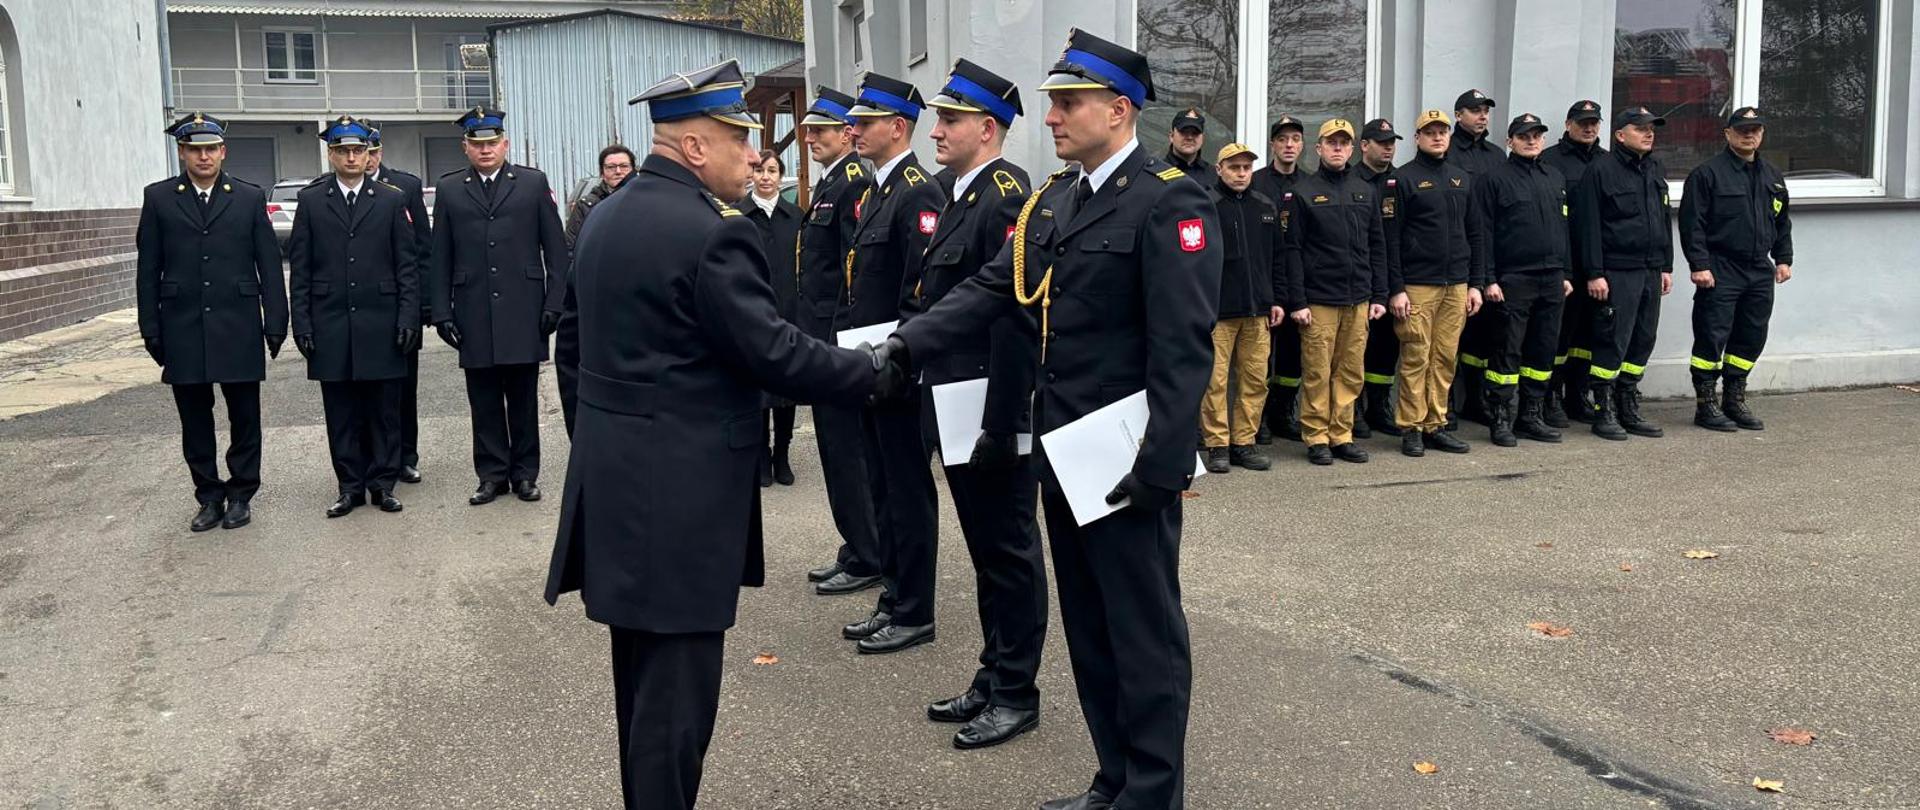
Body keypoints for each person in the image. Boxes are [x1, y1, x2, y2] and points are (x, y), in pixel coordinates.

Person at [877, 28, 1221, 808]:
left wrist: (1164, 463)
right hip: (1066, 453)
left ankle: (1152, 795)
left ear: (1120, 109)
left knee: (1144, 635)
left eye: (1069, 103)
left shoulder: (1170, 197)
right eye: (1054, 103)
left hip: (1129, 461)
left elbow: (1182, 344)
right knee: (1093, 633)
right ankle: (1113, 782)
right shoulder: (1055, 200)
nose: (1055, 117)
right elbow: (992, 289)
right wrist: (903, 346)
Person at [544, 60, 897, 810]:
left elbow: (570, 348)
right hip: (682, 501)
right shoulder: (711, 235)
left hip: (618, 486)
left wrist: (605, 441)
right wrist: (871, 372)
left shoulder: (606, 215)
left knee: (638, 689)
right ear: (697, 147)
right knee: (675, 706)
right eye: (741, 139)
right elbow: (772, 351)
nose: (753, 155)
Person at [916, 57, 1048, 750]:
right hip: (957, 400)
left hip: (990, 407)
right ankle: (993, 673)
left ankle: (1017, 691)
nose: (937, 131)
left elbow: (1013, 317)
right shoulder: (963, 191)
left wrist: (1005, 422)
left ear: (987, 128)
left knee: (1010, 551)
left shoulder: (1004, 194)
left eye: (951, 120)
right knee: (986, 551)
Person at [836, 72, 949, 654]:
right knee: (880, 486)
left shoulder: (917, 191)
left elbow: (919, 292)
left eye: (865, 121)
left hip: (899, 370)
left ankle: (915, 608)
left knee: (906, 493)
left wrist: (896, 358)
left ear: (897, 126)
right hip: (869, 365)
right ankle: (893, 594)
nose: (852, 129)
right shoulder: (877, 189)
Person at [136, 113, 287, 532]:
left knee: (245, 417)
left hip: (237, 324)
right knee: (195, 420)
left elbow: (269, 266)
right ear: (182, 152)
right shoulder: (160, 198)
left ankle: (241, 494)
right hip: (182, 326)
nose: (203, 156)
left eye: (211, 149)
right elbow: (148, 269)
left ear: (223, 151)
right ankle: (208, 495)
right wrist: (150, 326)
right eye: (194, 149)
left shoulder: (248, 197)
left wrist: (276, 322)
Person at [429, 107, 569, 506]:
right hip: (473, 309)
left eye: (492, 143)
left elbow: (556, 251)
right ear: (466, 148)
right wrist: (441, 311)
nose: (485, 150)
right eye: (478, 144)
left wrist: (554, 302)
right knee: (484, 399)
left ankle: (525, 474)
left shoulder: (531, 182)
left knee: (523, 398)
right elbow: (441, 255)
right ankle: (491, 475)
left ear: (505, 144)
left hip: (524, 308)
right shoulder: (451, 188)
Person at [287, 115, 420, 517]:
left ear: (369, 155)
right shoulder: (312, 201)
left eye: (358, 150)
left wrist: (408, 318)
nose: (351, 157)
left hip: (381, 322)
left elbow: (407, 267)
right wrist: (303, 324)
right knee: (341, 411)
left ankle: (383, 484)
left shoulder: (391, 198)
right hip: (331, 324)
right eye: (343, 150)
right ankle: (349, 486)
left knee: (383, 410)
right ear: (331, 154)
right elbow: (302, 269)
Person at [793, 86, 885, 597]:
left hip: (835, 338)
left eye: (823, 131)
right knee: (835, 448)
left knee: (847, 450)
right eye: (809, 132)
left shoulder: (851, 183)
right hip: (820, 334)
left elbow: (855, 271)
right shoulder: (833, 182)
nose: (813, 139)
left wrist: (838, 343)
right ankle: (856, 545)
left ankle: (868, 552)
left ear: (847, 135)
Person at [1280, 118, 1389, 466]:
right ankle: (1316, 436)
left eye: (1344, 142)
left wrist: (1379, 294)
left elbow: (1377, 245)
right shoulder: (1303, 192)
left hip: (1358, 298)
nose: (1338, 148)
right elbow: (1292, 250)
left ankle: (1341, 434)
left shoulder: (1365, 191)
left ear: (1353, 148)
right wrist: (1297, 301)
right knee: (1317, 371)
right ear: (1319, 148)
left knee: (1350, 370)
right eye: (1331, 142)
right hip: (1319, 299)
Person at [1679, 106, 1792, 432]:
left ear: (1762, 134)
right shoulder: (1707, 174)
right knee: (1711, 337)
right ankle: (1706, 404)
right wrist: (1699, 265)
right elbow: (1693, 225)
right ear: (1727, 134)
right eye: (1742, 129)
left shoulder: (1772, 175)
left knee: (1751, 335)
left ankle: (1734, 398)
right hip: (1721, 267)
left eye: (1755, 130)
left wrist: (1783, 258)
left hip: (1758, 268)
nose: (1749, 134)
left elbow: (1782, 222)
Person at [1382, 109, 1483, 457]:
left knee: (1444, 357)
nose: (1437, 137)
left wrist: (1475, 284)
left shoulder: (1461, 178)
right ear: (1418, 138)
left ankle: (1435, 423)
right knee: (1416, 356)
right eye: (1430, 132)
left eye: (1442, 132)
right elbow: (1390, 239)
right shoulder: (1402, 180)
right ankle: (1411, 426)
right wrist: (1396, 288)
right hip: (1418, 285)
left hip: (1456, 283)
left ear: (1449, 136)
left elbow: (1475, 233)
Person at [1571, 106, 1673, 441]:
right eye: (1640, 128)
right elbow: (1588, 227)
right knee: (1612, 341)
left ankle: (1628, 405)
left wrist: (1666, 265)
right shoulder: (1601, 170)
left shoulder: (1654, 168)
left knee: (1643, 340)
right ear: (1619, 134)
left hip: (1649, 270)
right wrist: (1595, 273)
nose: (1649, 133)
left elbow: (1662, 220)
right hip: (1617, 272)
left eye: (1652, 128)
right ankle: (1604, 410)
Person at [1472, 113, 1573, 447]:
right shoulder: (1494, 179)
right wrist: (1489, 279)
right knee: (1506, 352)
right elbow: (1483, 233)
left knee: (1543, 351)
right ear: (1510, 141)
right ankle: (1500, 417)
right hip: (1513, 279)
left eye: (1537, 135)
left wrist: (1567, 273)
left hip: (1552, 278)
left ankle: (1531, 415)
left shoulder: (1554, 177)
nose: (1531, 141)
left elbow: (1564, 230)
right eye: (1524, 136)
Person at [1199, 141, 1281, 473]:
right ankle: (1218, 445)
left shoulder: (1264, 205)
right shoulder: (1206, 205)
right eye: (1234, 167)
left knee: (1254, 380)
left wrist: (1276, 299)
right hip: (1218, 311)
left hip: (1258, 309)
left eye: (1247, 167)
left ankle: (1243, 443)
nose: (1241, 173)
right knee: (1215, 382)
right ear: (1219, 169)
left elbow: (1277, 257)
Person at [365, 124, 433, 485]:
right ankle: (370, 458)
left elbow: (422, 248)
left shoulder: (404, 186)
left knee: (404, 389)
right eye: (365, 150)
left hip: (402, 305)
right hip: (365, 309)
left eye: (374, 151)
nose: (369, 158)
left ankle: (406, 455)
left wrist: (424, 306)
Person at [739, 149, 805, 486]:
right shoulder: (737, 215)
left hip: (788, 311)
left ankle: (782, 452)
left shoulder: (795, 216)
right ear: (751, 174)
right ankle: (761, 453)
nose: (766, 177)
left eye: (773, 171)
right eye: (760, 170)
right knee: (756, 387)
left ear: (781, 176)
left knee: (786, 386)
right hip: (751, 313)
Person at [1540, 100, 1607, 427]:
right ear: (1568, 125)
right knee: (1558, 334)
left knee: (1588, 335)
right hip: (1563, 263)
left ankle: (1578, 394)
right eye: (1582, 122)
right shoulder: (1550, 161)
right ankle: (1551, 395)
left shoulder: (1608, 162)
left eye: (1594, 122)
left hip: (1597, 266)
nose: (1589, 127)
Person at [1448, 89, 1505, 429]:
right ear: (1458, 115)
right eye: (1474, 110)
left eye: (1485, 110)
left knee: (1483, 334)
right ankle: (1447, 403)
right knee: (1452, 334)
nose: (1482, 116)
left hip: (1492, 249)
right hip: (1458, 250)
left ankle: (1475, 399)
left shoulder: (1497, 155)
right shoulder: (1447, 152)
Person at [1251, 114, 1306, 445]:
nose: (1288, 145)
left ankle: (1282, 413)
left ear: (1301, 145)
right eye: (1282, 139)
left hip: (1298, 281)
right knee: (1259, 357)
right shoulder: (1256, 182)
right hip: (1265, 279)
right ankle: (1257, 420)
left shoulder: (1310, 184)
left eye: (1295, 139)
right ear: (1272, 144)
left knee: (1292, 355)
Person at [1355, 118, 1404, 438]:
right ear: (1364, 146)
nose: (1388, 147)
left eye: (1391, 142)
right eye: (1381, 142)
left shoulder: (1402, 181)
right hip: (1359, 276)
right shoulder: (1352, 181)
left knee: (1386, 348)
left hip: (1394, 275)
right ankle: (1354, 410)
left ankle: (1379, 406)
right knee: (1355, 349)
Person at [565, 144, 636, 250]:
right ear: (602, 173)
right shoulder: (585, 206)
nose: (618, 171)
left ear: (634, 170)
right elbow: (570, 247)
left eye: (624, 166)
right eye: (611, 167)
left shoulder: (647, 201)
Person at [1165, 107, 1213, 186]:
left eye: (1195, 133)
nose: (1189, 137)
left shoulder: (1214, 175)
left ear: (1202, 139)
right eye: (1184, 132)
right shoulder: (1158, 171)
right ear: (1171, 136)